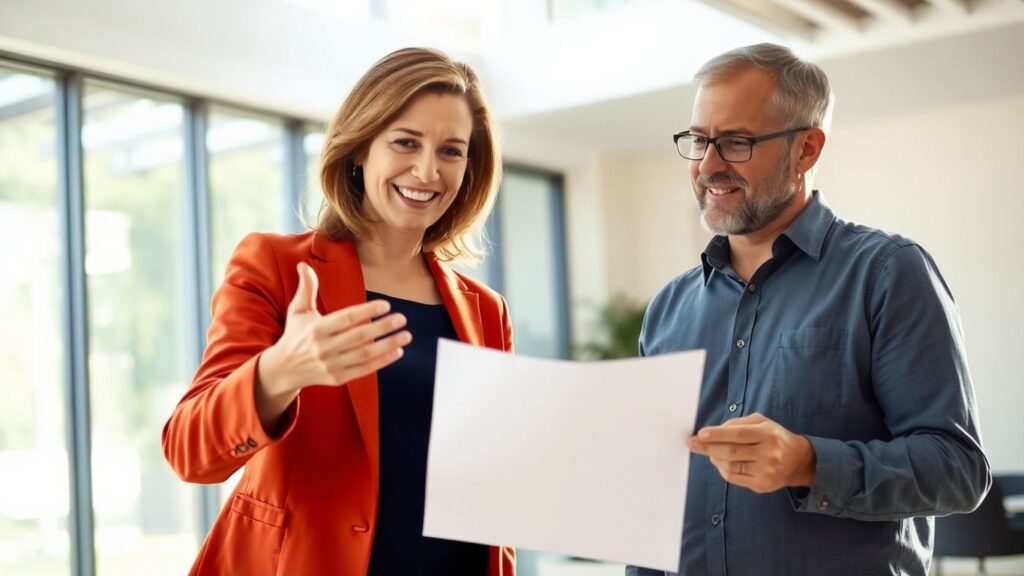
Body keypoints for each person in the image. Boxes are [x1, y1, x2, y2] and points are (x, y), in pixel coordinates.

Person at [630, 43, 989, 576]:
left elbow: (957, 470)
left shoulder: (888, 274)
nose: (708, 165)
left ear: (806, 150)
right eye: (699, 140)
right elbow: (652, 500)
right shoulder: (667, 309)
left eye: (735, 142)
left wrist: (810, 463)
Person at [162, 47, 515, 575]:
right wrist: (281, 371)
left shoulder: (486, 311)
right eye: (405, 142)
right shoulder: (276, 267)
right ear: (359, 150)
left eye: (451, 150)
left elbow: (494, 483)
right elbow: (191, 451)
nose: (427, 169)